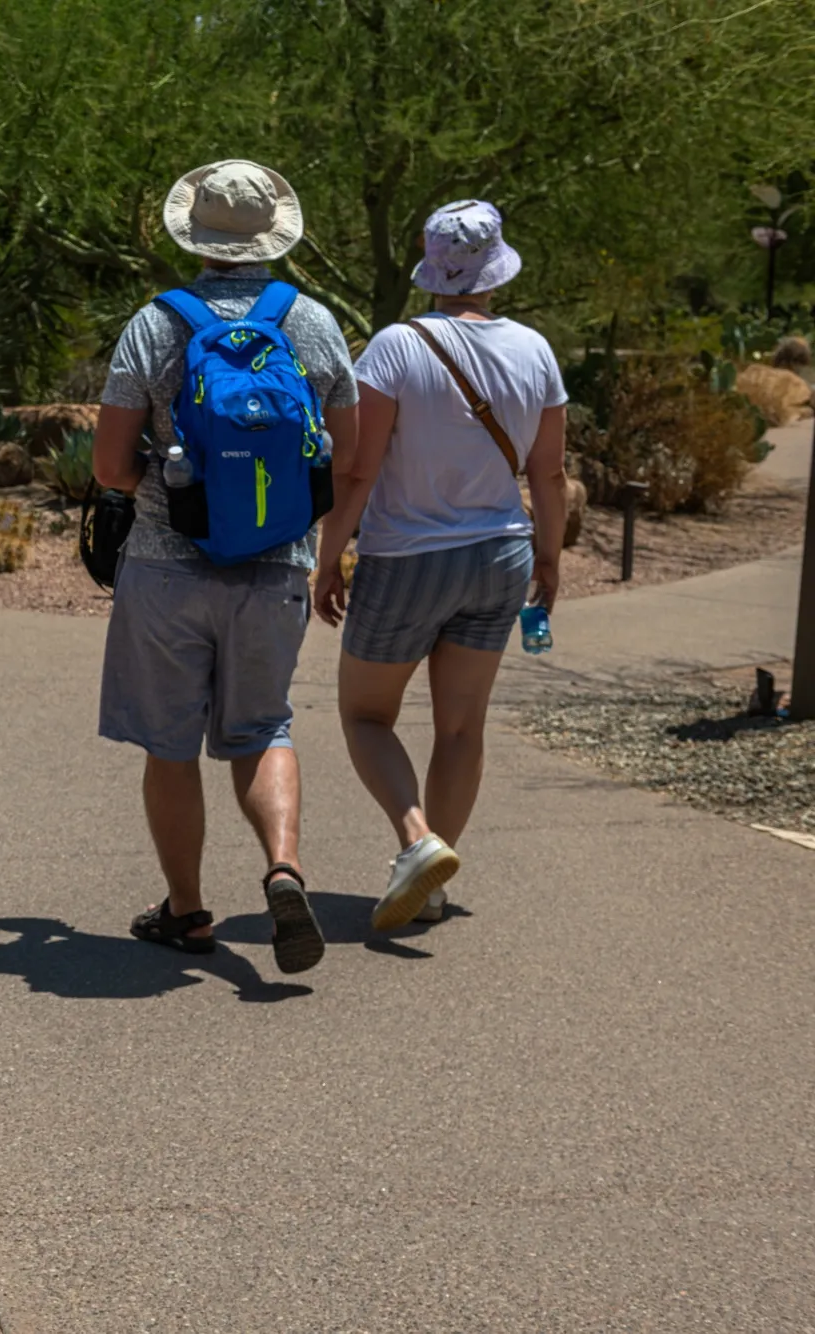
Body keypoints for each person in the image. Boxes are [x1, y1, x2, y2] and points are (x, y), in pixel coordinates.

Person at [93, 160, 360, 974]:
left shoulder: (156, 323)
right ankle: (283, 867)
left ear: (195, 234)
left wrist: (164, 501)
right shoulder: (311, 323)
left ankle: (187, 911)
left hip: (168, 567)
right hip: (276, 568)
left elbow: (108, 462)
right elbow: (345, 456)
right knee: (261, 728)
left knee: (170, 746)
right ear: (271, 236)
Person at [312, 200, 568, 931]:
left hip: (406, 558)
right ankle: (436, 880)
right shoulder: (535, 350)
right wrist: (548, 557)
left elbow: (358, 469)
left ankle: (417, 841)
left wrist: (330, 558)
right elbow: (548, 475)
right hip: (501, 555)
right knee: (461, 728)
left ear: (431, 267)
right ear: (495, 270)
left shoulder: (395, 345)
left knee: (366, 714)